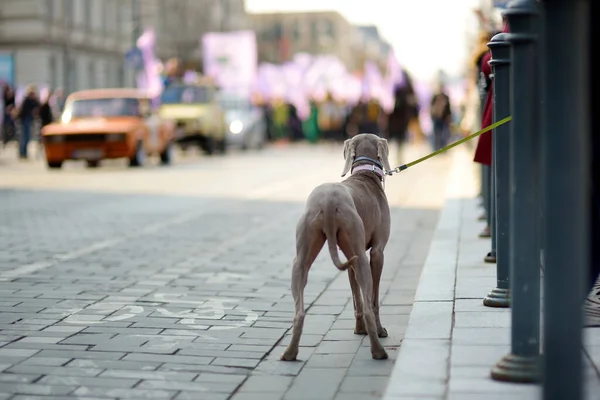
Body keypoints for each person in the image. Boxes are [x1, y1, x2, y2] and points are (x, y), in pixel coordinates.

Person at [16, 85, 40, 159]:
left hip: (29, 120)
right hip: (25, 120)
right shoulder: (26, 100)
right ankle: (22, 153)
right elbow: (23, 111)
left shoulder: (33, 100)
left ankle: (24, 153)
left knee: (27, 137)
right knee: (24, 137)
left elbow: (38, 106)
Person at [429, 82, 452, 151]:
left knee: (444, 133)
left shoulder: (446, 97)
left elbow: (448, 108)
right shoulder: (435, 97)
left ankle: (443, 147)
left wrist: (448, 116)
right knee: (437, 133)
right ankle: (436, 148)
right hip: (436, 118)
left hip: (444, 118)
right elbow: (431, 107)